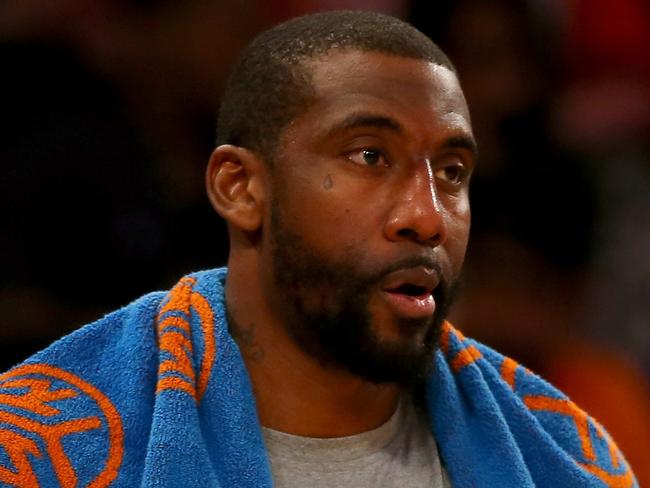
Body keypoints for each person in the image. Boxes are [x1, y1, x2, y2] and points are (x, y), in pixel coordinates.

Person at [0, 11, 637, 487]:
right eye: (369, 156)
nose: (427, 217)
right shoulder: (36, 446)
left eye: (450, 172)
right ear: (240, 187)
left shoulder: (567, 458)